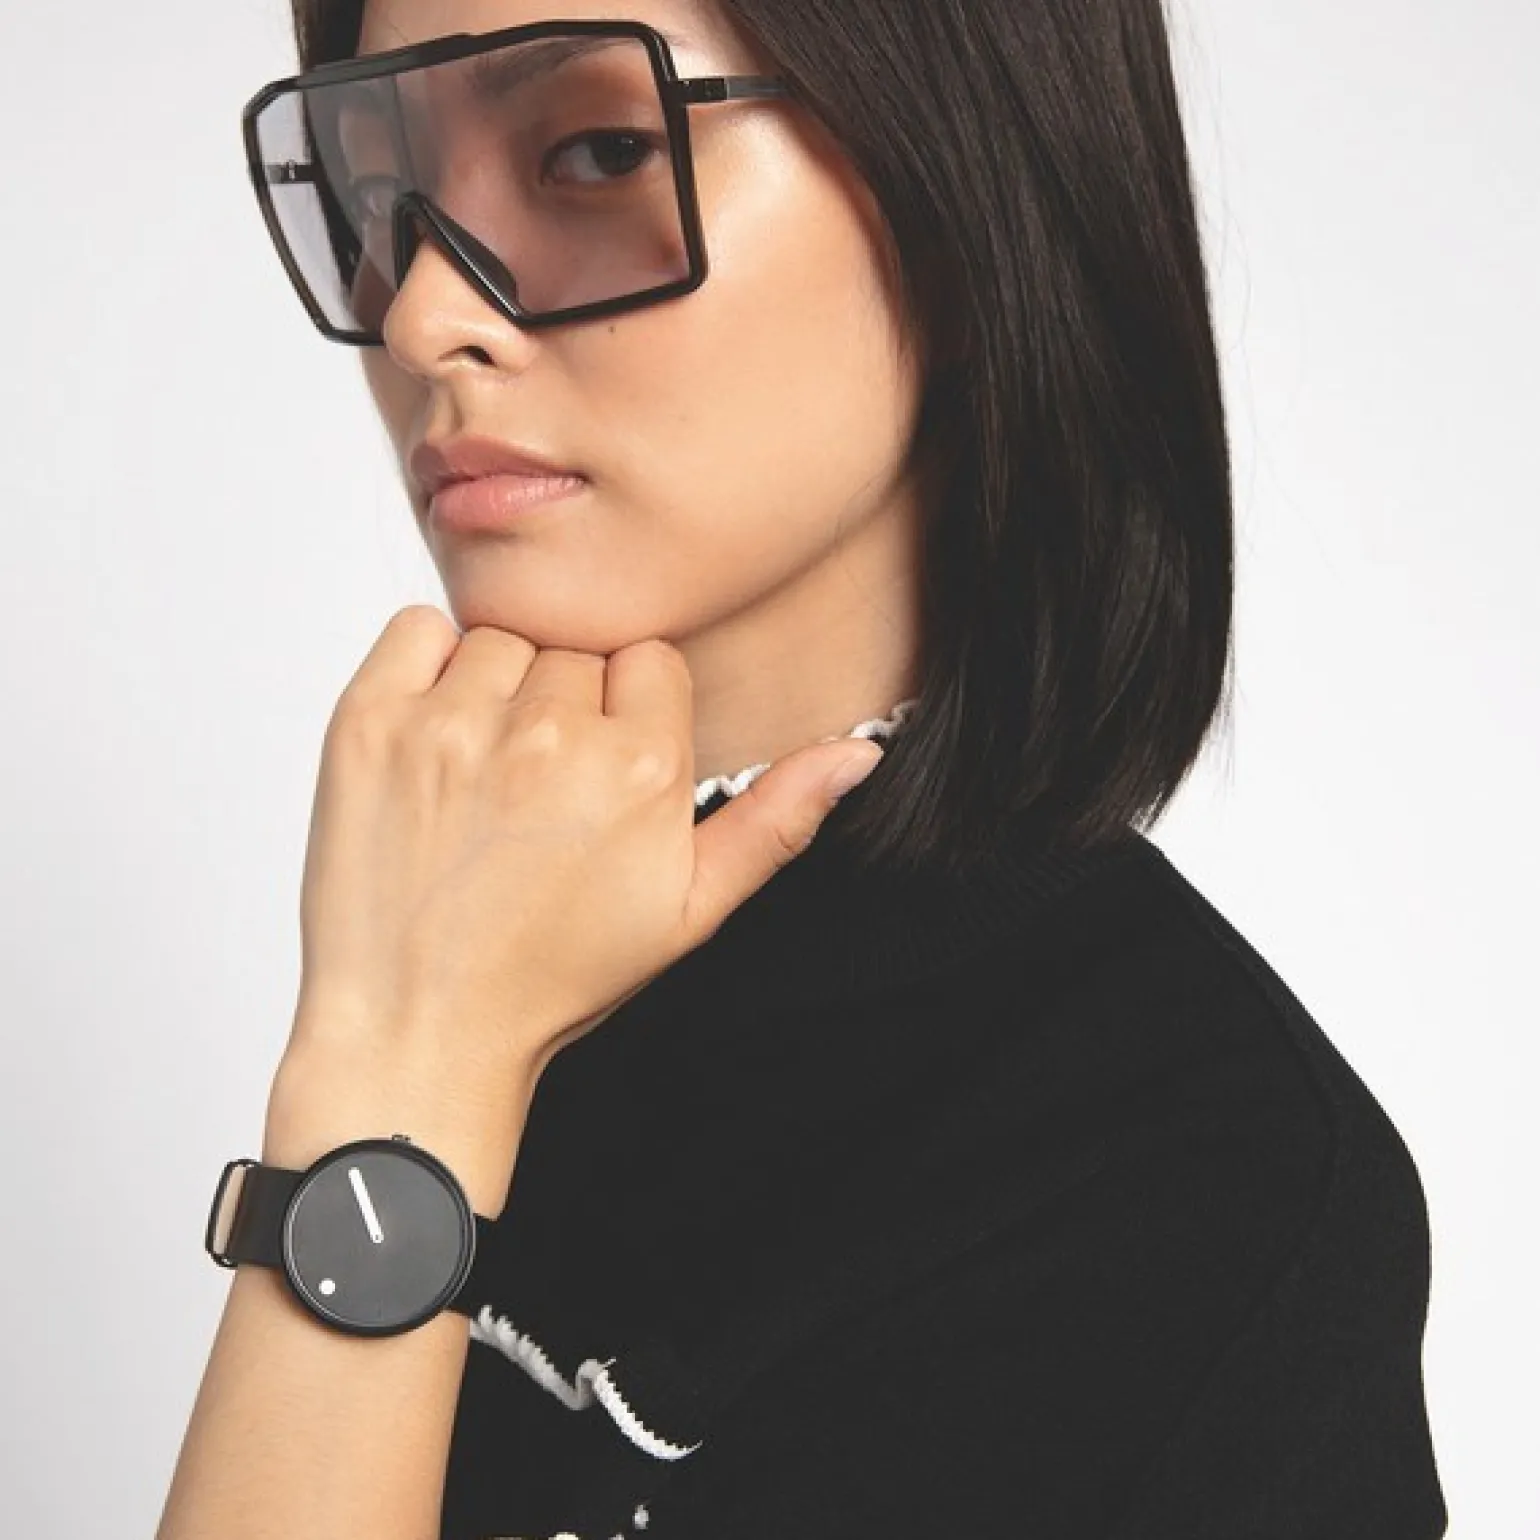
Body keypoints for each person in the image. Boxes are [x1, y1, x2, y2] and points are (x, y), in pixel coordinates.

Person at [157, 0, 1450, 1537]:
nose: (423, 315)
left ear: (963, 202)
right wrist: (397, 1061)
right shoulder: (483, 952)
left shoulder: (1201, 1197)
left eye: (597, 152)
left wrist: (389, 1109)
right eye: (380, 187)